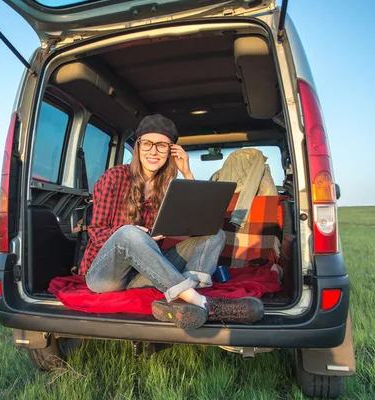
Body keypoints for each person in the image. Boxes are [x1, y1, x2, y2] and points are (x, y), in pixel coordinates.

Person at [79, 114, 264, 331]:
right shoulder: (114, 177)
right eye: (147, 144)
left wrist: (186, 172)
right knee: (129, 233)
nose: (154, 151)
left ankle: (182, 303)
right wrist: (139, 235)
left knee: (214, 233)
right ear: (137, 147)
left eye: (162, 145)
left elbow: (201, 222)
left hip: (144, 272)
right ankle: (203, 303)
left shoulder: (168, 186)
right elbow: (96, 232)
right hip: (106, 276)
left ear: (171, 151)